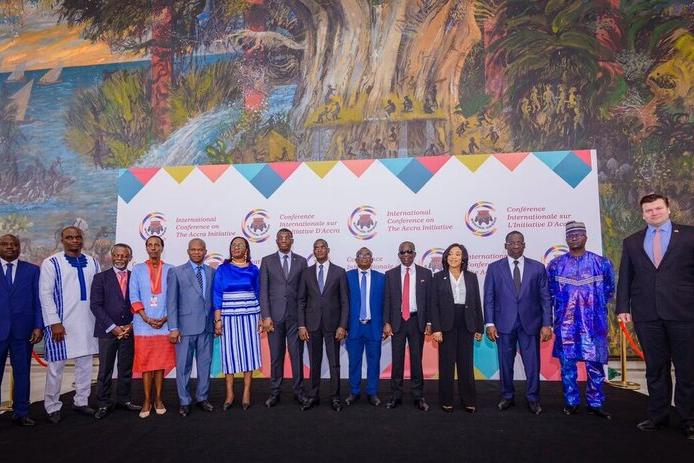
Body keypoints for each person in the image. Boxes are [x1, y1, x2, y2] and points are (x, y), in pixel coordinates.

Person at [616, 193, 694, 440]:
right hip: (647, 314)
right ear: (643, 214)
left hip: (684, 313)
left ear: (668, 209)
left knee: (687, 369)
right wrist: (622, 307)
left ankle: (689, 419)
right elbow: (625, 277)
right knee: (655, 368)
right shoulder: (632, 242)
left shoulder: (689, 236)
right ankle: (658, 415)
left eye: (658, 208)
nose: (654, 213)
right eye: (648, 210)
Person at [547, 221, 614, 419]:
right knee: (568, 367)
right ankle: (571, 402)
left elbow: (609, 290)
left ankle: (596, 403)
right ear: (566, 239)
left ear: (586, 237)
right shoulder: (556, 265)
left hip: (594, 325)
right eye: (570, 235)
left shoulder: (601, 263)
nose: (574, 238)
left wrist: (593, 309)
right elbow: (549, 293)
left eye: (578, 234)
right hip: (566, 325)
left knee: (595, 366)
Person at [483, 231, 552, 415]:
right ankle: (507, 396)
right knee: (505, 363)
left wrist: (547, 324)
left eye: (519, 242)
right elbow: (489, 298)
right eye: (511, 243)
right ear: (505, 245)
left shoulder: (537, 268)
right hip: (504, 324)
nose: (515, 245)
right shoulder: (494, 268)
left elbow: (545, 298)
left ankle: (533, 398)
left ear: (524, 245)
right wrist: (489, 323)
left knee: (532, 364)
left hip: (531, 324)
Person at [40, 226, 101, 423]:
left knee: (85, 365)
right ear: (62, 240)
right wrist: (54, 322)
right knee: (55, 367)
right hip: (62, 325)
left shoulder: (93, 262)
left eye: (77, 237)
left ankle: (81, 401)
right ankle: (52, 406)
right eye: (69, 237)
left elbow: (98, 292)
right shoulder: (52, 263)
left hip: (88, 323)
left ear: (82, 239)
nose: (74, 240)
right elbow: (45, 295)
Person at [90, 243, 141, 420]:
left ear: (129, 258)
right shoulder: (100, 278)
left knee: (125, 368)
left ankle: (124, 400)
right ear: (112, 256)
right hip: (107, 332)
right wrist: (113, 327)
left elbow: (139, 303)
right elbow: (95, 306)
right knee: (105, 369)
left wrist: (131, 325)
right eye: (117, 255)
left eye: (124, 255)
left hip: (129, 330)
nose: (120, 258)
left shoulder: (135, 277)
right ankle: (103, 403)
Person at [430, 243, 483, 413]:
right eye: (451, 254)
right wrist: (436, 328)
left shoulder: (471, 277)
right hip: (446, 325)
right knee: (446, 365)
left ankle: (468, 400)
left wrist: (479, 327)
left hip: (466, 323)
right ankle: (446, 400)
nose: (454, 257)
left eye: (458, 254)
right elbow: (433, 305)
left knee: (466, 364)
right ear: (446, 257)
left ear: (463, 258)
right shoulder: (438, 277)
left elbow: (476, 303)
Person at [298, 239, 349, 412]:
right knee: (314, 363)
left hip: (333, 326)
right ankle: (313, 396)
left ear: (328, 250)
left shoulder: (339, 272)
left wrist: (342, 325)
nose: (319, 250)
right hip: (311, 325)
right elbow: (301, 301)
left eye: (322, 247)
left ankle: (335, 397)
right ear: (313, 251)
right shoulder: (306, 273)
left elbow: (345, 302)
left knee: (334, 363)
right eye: (316, 248)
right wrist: (301, 325)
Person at [167, 238, 216, 417]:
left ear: (205, 252)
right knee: (183, 367)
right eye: (193, 249)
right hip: (184, 328)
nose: (197, 252)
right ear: (188, 251)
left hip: (207, 328)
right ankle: (184, 401)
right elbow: (171, 302)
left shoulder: (212, 272)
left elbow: (214, 300)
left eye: (200, 249)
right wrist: (173, 327)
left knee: (205, 366)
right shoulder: (176, 272)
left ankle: (202, 398)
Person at [260, 228, 308, 408]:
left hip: (295, 318)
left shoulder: (301, 261)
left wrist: (303, 321)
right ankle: (275, 392)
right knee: (276, 357)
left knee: (296, 356)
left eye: (287, 237)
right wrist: (266, 316)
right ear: (276, 241)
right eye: (281, 237)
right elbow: (263, 291)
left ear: (292, 240)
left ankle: (299, 391)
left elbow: (304, 292)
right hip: (274, 318)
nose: (284, 240)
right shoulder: (267, 261)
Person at [212, 236, 261, 410]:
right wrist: (218, 320)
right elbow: (217, 295)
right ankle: (230, 394)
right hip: (229, 318)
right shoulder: (222, 269)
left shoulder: (254, 269)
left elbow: (259, 293)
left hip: (250, 317)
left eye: (240, 245)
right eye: (233, 245)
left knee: (249, 353)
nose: (236, 247)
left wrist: (261, 317)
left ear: (246, 249)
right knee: (230, 354)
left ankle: (246, 392)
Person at [129, 235, 175, 418]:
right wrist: (146, 318)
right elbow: (134, 296)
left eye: (157, 245)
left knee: (160, 365)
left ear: (162, 247)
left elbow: (174, 297)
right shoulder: (137, 269)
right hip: (143, 326)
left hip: (164, 324)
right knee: (147, 365)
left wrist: (166, 318)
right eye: (150, 245)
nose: (154, 248)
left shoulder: (171, 270)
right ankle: (147, 400)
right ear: (146, 248)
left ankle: (159, 399)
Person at [383, 241, 432, 411]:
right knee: (397, 361)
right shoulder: (390, 274)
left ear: (414, 254)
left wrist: (429, 322)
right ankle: (395, 396)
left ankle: (418, 396)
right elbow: (387, 300)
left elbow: (429, 301)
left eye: (409, 251)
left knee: (416, 361)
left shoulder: (426, 273)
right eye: (402, 252)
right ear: (399, 255)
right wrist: (386, 322)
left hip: (416, 321)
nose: (406, 254)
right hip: (397, 322)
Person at [0, 234, 43, 426]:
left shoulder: (32, 270)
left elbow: (38, 300)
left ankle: (21, 412)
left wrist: (38, 326)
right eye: (5, 244)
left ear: (19, 247)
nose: (10, 247)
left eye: (14, 244)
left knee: (22, 373)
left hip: (23, 331)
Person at [345, 247, 385, 407]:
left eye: (367, 255)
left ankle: (372, 392)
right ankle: (354, 391)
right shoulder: (346, 277)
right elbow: (342, 302)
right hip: (353, 327)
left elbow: (386, 303)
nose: (364, 257)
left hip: (374, 327)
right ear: (356, 260)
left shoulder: (381, 278)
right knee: (354, 362)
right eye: (360, 255)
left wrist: (386, 324)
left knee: (374, 362)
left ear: (372, 259)